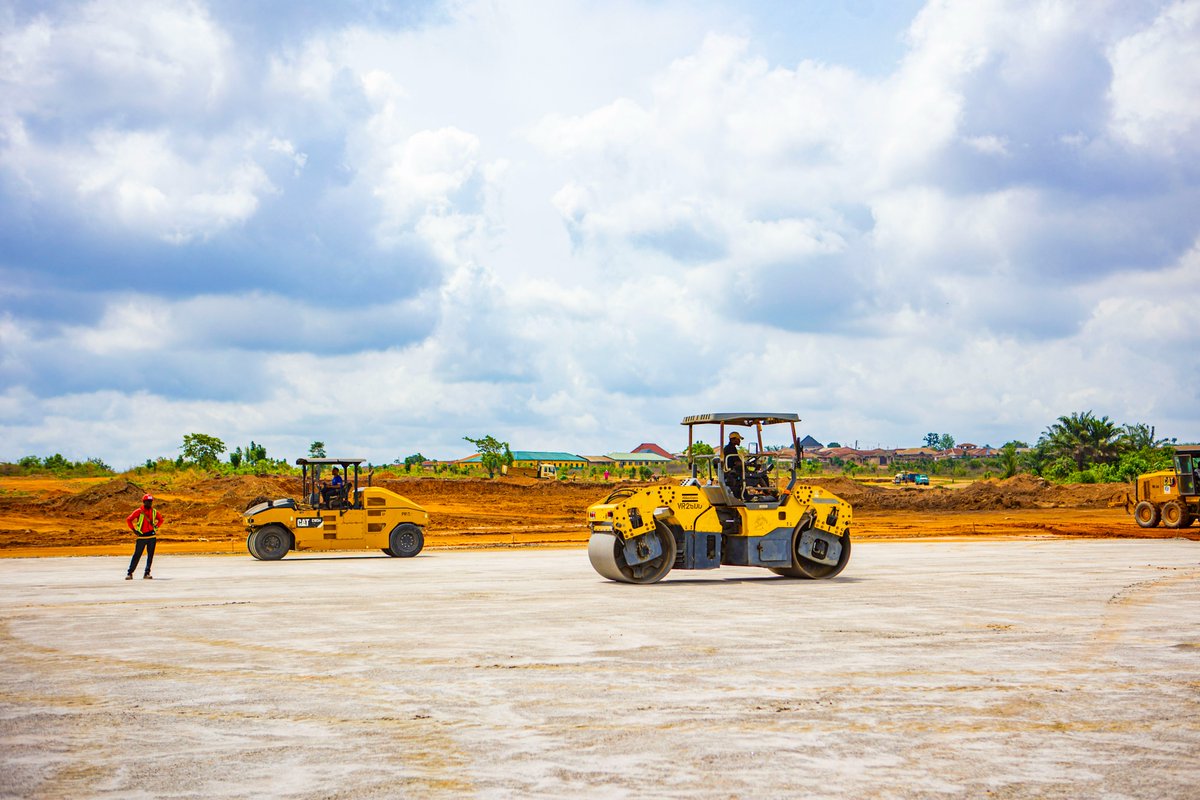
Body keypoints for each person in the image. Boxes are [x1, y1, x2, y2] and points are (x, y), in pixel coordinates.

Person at [124, 493, 163, 580]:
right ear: (144, 502)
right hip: (141, 537)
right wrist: (134, 530)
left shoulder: (154, 512)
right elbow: (129, 519)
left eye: (150, 501)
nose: (149, 503)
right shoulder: (139, 511)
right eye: (147, 501)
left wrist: (156, 527)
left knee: (150, 556)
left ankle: (147, 573)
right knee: (137, 555)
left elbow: (161, 520)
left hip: (152, 537)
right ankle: (130, 573)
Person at [723, 432, 744, 499]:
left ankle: (744, 494)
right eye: (738, 439)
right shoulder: (731, 448)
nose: (739, 441)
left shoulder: (728, 447)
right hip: (732, 472)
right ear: (734, 439)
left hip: (730, 471)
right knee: (757, 476)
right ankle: (768, 491)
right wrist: (745, 463)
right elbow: (737, 462)